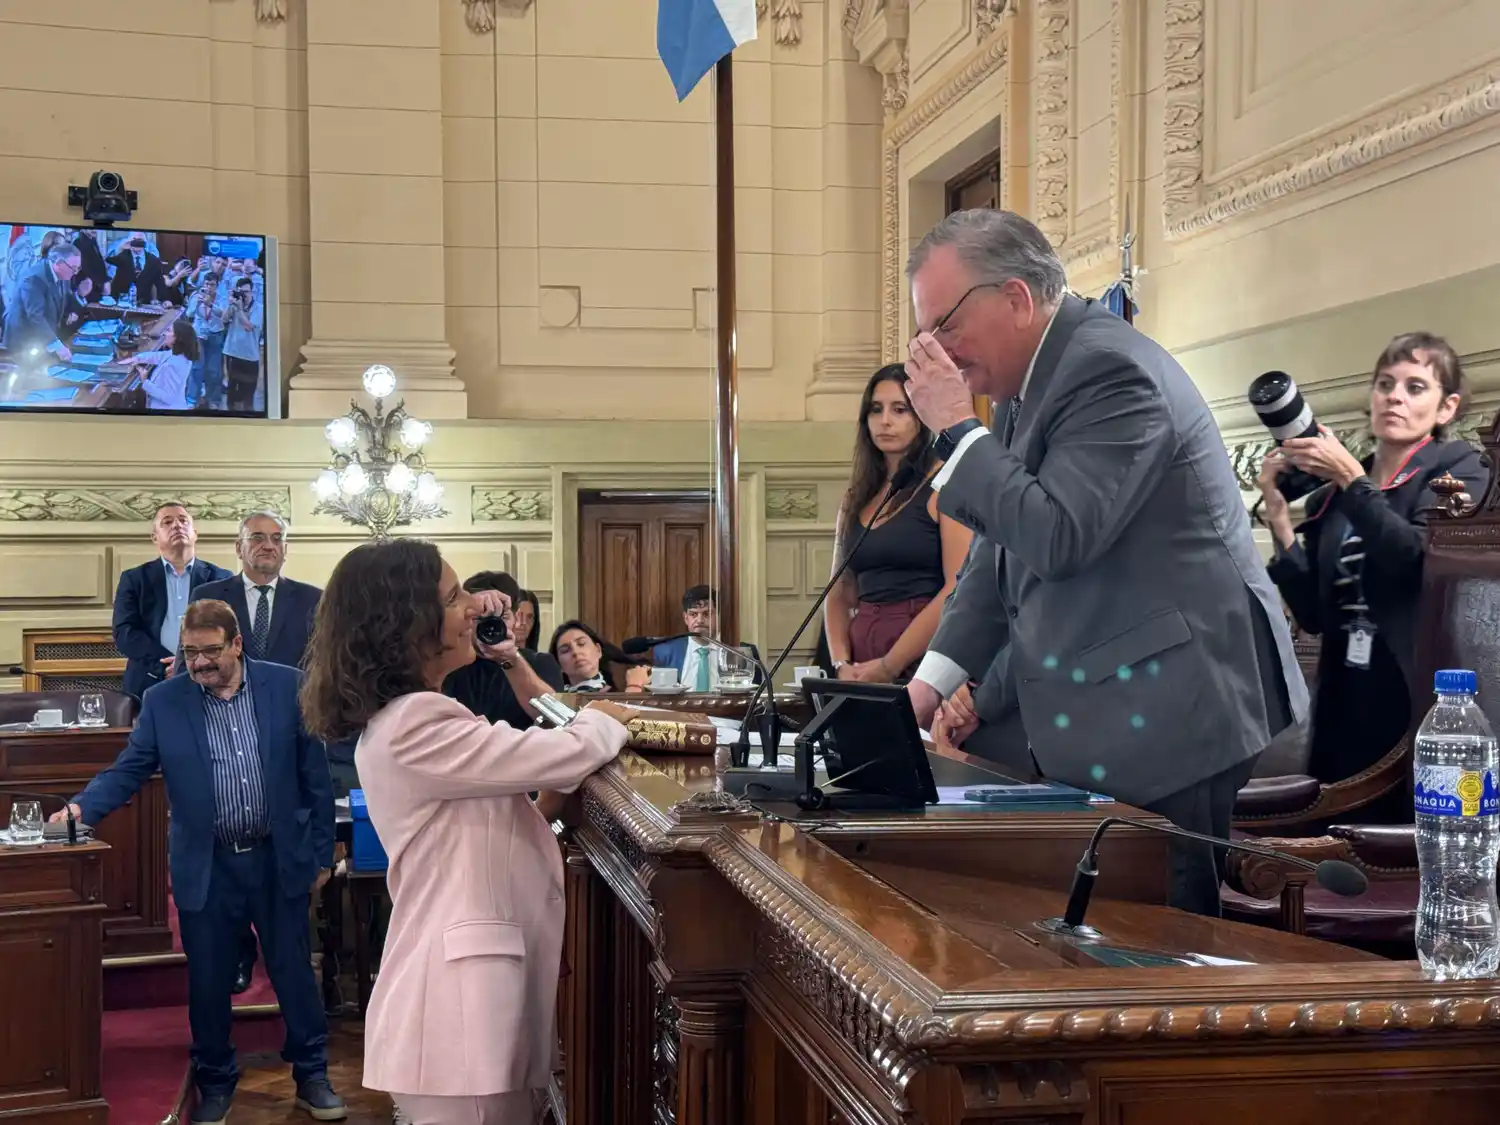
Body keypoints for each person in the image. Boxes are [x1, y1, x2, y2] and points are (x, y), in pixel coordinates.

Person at [901, 209, 1307, 917]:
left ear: (1016, 298)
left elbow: (1058, 534)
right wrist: (929, 685)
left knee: (1160, 944)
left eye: (944, 326)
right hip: (1106, 704)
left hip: (1174, 707)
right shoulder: (1029, 383)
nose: (938, 352)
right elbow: (1001, 550)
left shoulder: (1108, 369)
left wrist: (958, 430)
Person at [299, 539, 632, 1125]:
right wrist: (609, 716)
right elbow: (562, 754)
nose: (474, 608)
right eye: (455, 597)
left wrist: (507, 655)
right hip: (460, 1002)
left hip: (471, 993)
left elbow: (495, 818)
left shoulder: (420, 712)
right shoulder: (415, 721)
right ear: (408, 625)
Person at [55, 600, 343, 1125]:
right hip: (207, 864)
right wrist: (79, 810)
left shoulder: (287, 686)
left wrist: (322, 852)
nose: (199, 663)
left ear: (237, 644)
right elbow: (129, 769)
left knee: (293, 973)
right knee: (208, 982)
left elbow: (315, 778)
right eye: (190, 652)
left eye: (210, 651)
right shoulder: (164, 701)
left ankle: (312, 1076)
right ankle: (214, 1081)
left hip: (277, 858)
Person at [1257, 333, 1488, 796]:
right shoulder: (1331, 496)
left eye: (1415, 387)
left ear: (1446, 407)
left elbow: (1414, 562)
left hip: (1415, 696)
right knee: (1330, 826)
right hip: (1342, 695)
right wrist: (1280, 520)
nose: (1394, 397)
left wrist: (1351, 479)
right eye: (1385, 384)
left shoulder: (1460, 472)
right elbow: (1313, 616)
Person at [184, 510, 325, 993]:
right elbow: (194, 660)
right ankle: (241, 954)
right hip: (223, 732)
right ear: (239, 547)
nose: (268, 545)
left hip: (286, 736)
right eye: (258, 538)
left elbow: (319, 667)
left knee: (277, 860)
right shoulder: (210, 595)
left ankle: (290, 968)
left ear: (286, 548)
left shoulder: (311, 599)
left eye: (276, 538)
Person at [825, 365, 972, 681]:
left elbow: (957, 587)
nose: (885, 421)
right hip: (858, 661)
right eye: (875, 410)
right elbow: (839, 590)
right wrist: (840, 662)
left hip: (922, 658)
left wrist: (890, 664)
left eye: (900, 409)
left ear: (922, 415)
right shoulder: (856, 497)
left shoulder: (946, 483)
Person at [112, 502, 232, 700]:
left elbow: (230, 631)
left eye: (183, 521)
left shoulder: (221, 578)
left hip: (208, 679)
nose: (177, 525)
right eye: (167, 522)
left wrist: (189, 663)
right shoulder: (134, 579)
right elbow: (124, 632)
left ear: (195, 533)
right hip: (149, 680)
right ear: (154, 537)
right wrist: (167, 665)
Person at [443, 570, 565, 729]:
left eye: (500, 617)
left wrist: (509, 658)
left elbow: (558, 721)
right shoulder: (448, 665)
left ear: (517, 617)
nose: (489, 626)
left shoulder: (541, 663)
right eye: (478, 617)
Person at [650, 584, 763, 689]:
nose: (699, 620)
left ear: (718, 616)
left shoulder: (742, 653)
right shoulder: (665, 652)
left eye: (706, 614)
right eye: (693, 614)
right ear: (686, 618)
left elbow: (753, 697)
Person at [549, 620, 648, 693]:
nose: (575, 652)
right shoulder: (555, 701)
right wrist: (634, 687)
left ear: (598, 650)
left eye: (581, 643)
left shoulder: (614, 695)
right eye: (565, 650)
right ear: (558, 664)